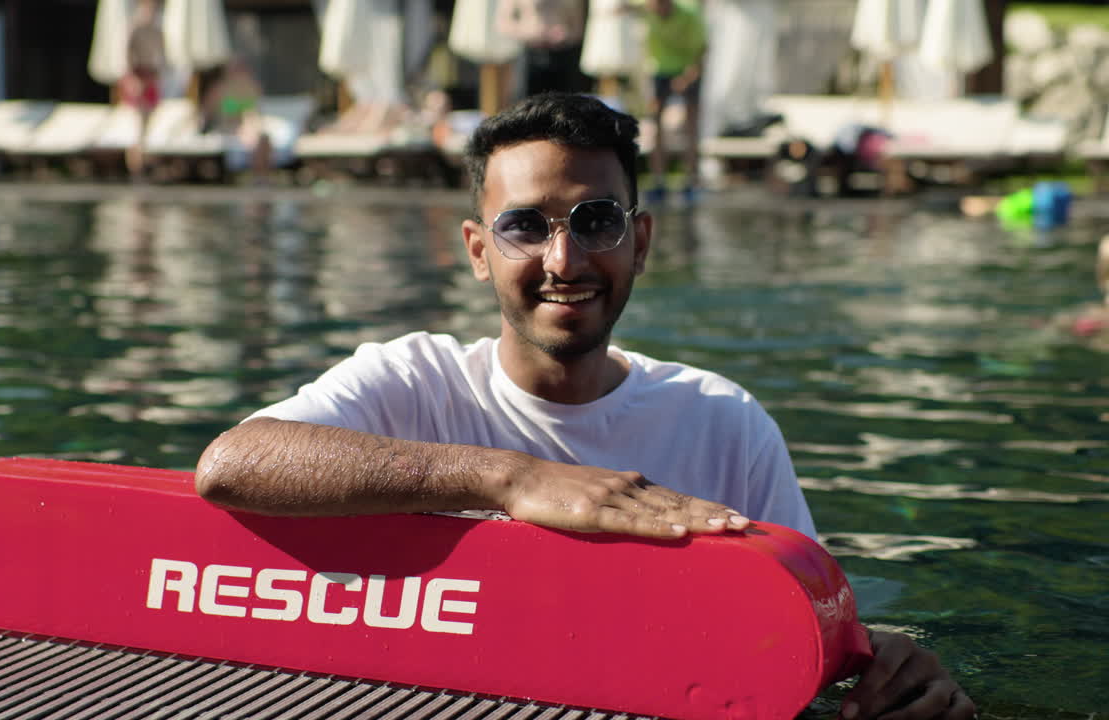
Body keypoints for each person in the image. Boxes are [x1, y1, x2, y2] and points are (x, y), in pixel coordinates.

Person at [195, 93, 976, 720]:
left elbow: (799, 636)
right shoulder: (414, 381)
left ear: (639, 242)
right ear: (478, 251)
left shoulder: (723, 420)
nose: (564, 260)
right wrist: (511, 480)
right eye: (525, 227)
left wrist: (886, 676)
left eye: (595, 222)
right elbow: (232, 464)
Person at [638, 0, 706, 205]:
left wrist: (687, 78)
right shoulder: (645, 8)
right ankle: (658, 181)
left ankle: (691, 180)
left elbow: (702, 51)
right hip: (660, 71)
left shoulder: (690, 14)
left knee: (691, 124)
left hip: (687, 68)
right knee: (655, 123)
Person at [120, 0, 165, 180]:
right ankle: (137, 171)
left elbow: (162, 56)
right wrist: (132, 79)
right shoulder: (134, 28)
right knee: (137, 126)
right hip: (137, 77)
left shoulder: (157, 31)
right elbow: (126, 56)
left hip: (150, 77)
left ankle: (143, 168)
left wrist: (157, 78)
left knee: (148, 125)